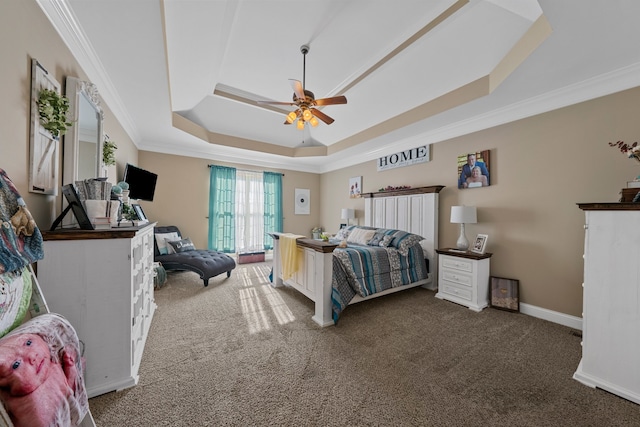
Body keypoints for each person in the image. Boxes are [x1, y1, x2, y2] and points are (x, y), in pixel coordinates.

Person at [0, 314, 88, 427]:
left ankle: (71, 373)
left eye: (28, 343)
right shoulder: (14, 402)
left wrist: (70, 368)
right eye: (16, 364)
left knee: (66, 388)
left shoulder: (54, 366)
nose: (32, 356)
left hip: (63, 397)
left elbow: (69, 393)